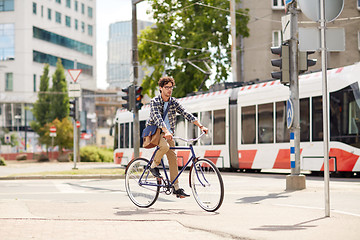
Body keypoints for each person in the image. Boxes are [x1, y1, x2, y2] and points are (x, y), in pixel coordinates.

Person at [146, 76, 208, 198]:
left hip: (168, 134)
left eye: (171, 87)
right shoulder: (155, 101)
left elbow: (186, 113)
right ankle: (152, 166)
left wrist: (201, 126)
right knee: (164, 147)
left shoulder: (173, 102)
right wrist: (165, 130)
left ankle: (176, 188)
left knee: (173, 159)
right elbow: (158, 118)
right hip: (155, 132)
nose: (169, 90)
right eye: (166, 87)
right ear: (161, 88)